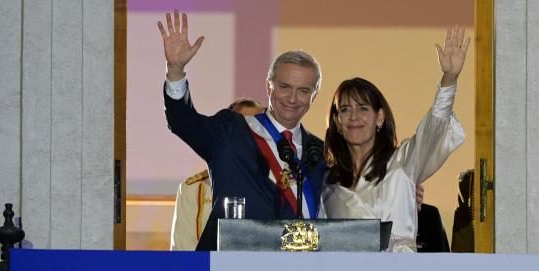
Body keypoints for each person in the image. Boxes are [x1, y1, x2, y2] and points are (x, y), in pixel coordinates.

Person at [158, 10, 325, 251]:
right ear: (269, 87)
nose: (292, 98)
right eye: (285, 86)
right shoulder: (232, 130)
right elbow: (182, 121)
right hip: (226, 270)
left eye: (304, 90)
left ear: (314, 95)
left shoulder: (317, 151)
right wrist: (175, 71)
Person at [320, 27, 470, 252]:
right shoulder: (327, 182)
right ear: (336, 121)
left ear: (379, 118)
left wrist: (449, 78)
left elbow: (433, 129)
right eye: (344, 109)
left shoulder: (402, 162)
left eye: (363, 108)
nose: (353, 117)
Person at [170, 98, 265, 251]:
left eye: (259, 129)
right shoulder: (194, 189)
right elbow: (183, 253)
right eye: (244, 129)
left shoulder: (284, 184)